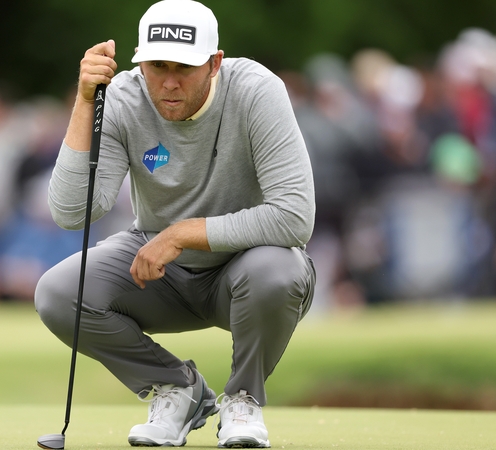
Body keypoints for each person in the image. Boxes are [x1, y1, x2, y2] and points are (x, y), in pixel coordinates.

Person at [34, 0, 316, 448]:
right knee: (58, 293)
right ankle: (178, 389)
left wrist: (181, 233)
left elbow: (295, 216)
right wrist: (85, 102)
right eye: (155, 65)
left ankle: (242, 401)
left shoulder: (257, 90)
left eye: (183, 67)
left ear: (214, 62)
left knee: (277, 269)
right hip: (159, 274)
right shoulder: (123, 96)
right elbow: (72, 212)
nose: (167, 82)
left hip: (244, 272)